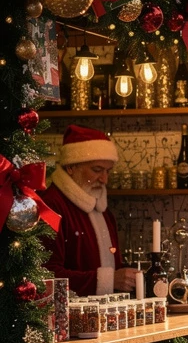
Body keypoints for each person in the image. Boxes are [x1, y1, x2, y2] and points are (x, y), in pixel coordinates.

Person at [40, 125, 142, 295]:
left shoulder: (101, 209)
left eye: (108, 171)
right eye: (97, 170)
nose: (104, 179)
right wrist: (109, 280)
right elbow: (46, 275)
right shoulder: (51, 206)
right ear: (71, 167)